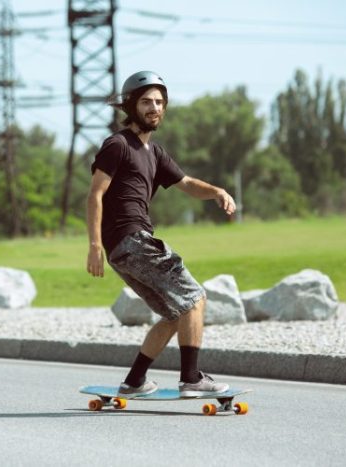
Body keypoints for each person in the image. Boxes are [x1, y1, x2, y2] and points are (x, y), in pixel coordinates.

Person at [86, 70, 236, 398]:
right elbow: (95, 194)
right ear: (130, 106)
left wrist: (216, 191)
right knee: (194, 298)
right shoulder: (117, 145)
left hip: (123, 249)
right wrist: (94, 244)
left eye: (159, 102)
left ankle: (135, 380)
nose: (154, 107)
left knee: (173, 313)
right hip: (132, 239)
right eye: (146, 102)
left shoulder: (155, 153)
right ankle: (192, 378)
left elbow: (186, 184)